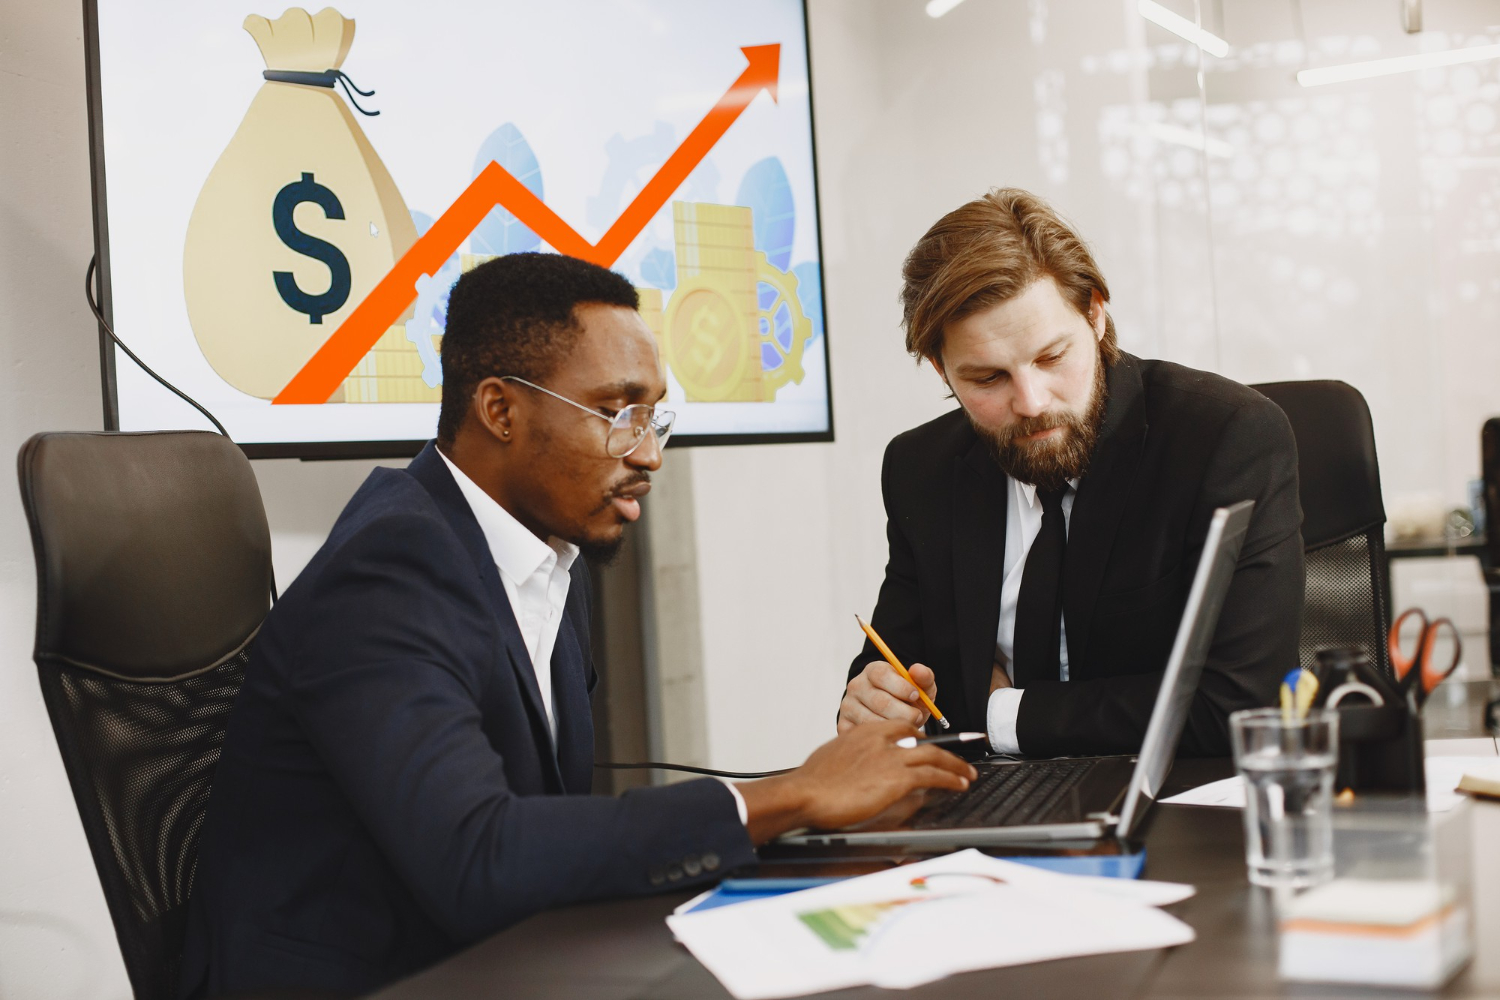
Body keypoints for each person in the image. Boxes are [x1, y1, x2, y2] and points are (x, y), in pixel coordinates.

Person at [179, 253, 975, 999]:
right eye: (615, 412)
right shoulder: (392, 567)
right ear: (500, 409)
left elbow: (541, 830)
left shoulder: (548, 551)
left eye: (654, 418)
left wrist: (811, 809)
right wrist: (792, 794)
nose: (649, 454)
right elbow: (479, 856)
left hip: (493, 957)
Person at [837, 189, 1303, 759]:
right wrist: (869, 703)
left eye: (1052, 357)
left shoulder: (1224, 440)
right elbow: (900, 668)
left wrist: (1002, 713)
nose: (1031, 402)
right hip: (985, 815)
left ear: (1095, 314)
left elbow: (1241, 706)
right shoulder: (922, 470)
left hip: (1176, 813)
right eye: (987, 379)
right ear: (942, 370)